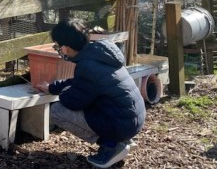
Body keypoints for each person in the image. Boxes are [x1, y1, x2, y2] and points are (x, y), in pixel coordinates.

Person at [35, 18, 146, 168]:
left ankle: (111, 146)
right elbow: (80, 83)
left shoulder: (87, 66)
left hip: (122, 124)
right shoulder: (98, 53)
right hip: (134, 119)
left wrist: (63, 93)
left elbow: (73, 102)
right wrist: (52, 88)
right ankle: (122, 140)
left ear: (66, 48)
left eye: (57, 46)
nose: (58, 49)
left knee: (57, 111)